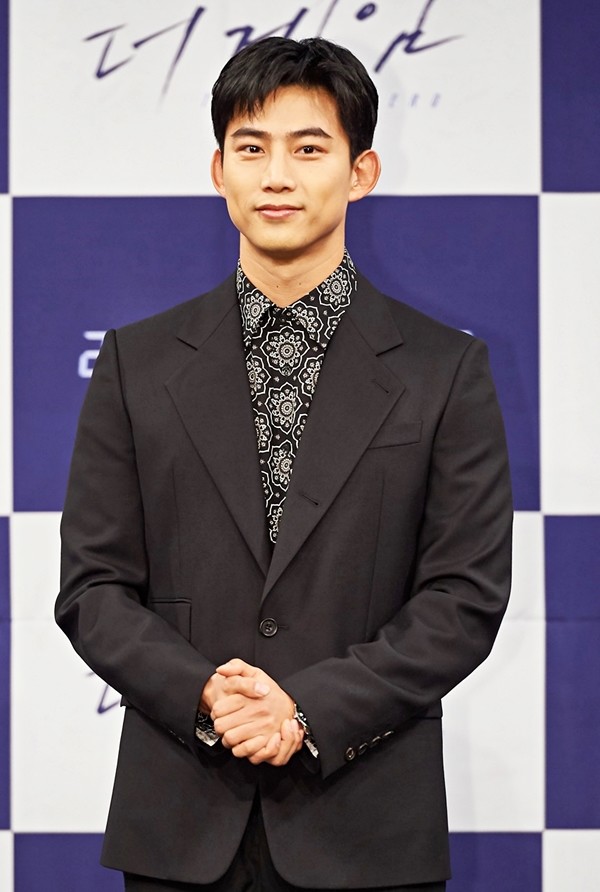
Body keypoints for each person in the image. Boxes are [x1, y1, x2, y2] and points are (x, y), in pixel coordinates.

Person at [56, 36, 512, 892]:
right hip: (181, 825)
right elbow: (93, 586)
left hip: (368, 823)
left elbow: (464, 598)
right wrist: (207, 695)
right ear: (218, 170)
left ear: (361, 172)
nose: (276, 176)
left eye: (308, 149)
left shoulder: (444, 370)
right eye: (251, 148)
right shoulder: (134, 363)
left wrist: (307, 710)